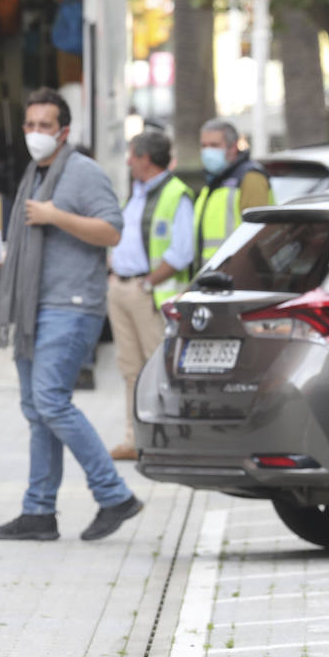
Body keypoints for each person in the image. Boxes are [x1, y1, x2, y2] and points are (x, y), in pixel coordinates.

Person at [0, 88, 143, 542]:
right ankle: (39, 512)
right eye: (30, 125)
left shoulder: (82, 174)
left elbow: (112, 230)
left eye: (45, 126)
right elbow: (35, 251)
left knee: (50, 402)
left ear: (64, 131)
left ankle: (114, 494)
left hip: (72, 307)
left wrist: (55, 215)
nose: (36, 133)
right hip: (35, 306)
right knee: (37, 410)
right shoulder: (34, 175)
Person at [106, 130, 194, 461]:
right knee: (130, 368)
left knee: (158, 369)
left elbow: (181, 252)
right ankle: (135, 439)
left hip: (150, 295)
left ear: (144, 158)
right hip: (124, 289)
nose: (127, 161)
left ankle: (168, 438)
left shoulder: (175, 194)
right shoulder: (138, 193)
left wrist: (147, 283)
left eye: (131, 155)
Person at [193, 118, 273, 272]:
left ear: (233, 147)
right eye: (204, 146)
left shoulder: (250, 177)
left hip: (237, 275)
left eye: (214, 145)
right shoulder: (213, 183)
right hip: (213, 276)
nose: (207, 151)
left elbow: (256, 234)